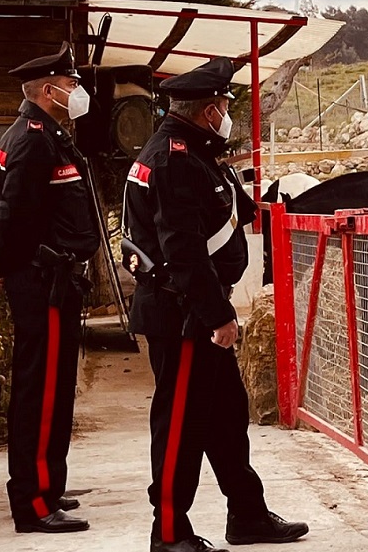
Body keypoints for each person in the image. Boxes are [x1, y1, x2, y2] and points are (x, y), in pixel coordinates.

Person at [121, 57, 309, 552]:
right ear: (209, 110)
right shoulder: (174, 159)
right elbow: (181, 250)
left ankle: (247, 515)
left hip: (195, 308)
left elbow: (231, 212)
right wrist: (219, 316)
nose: (229, 111)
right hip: (184, 313)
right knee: (180, 423)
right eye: (226, 104)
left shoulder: (195, 151)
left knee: (227, 414)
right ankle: (168, 532)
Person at [0, 42, 99, 533]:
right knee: (41, 391)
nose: (78, 91)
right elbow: (13, 216)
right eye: (71, 85)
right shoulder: (32, 140)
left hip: (57, 280)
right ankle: (31, 503)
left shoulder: (50, 134)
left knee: (57, 389)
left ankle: (48, 485)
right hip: (43, 282)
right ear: (49, 90)